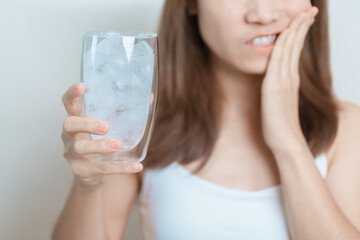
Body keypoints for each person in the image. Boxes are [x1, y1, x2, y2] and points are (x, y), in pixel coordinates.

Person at [52, 0, 360, 239]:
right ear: (191, 3)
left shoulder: (346, 127)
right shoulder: (140, 125)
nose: (263, 14)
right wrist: (87, 186)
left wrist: (288, 142)